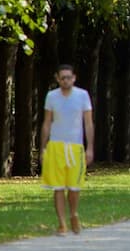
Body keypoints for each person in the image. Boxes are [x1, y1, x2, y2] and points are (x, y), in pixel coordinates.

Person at [40, 64, 94, 235]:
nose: (66, 80)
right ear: (57, 79)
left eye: (68, 77)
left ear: (74, 78)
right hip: (56, 146)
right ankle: (62, 223)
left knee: (74, 187)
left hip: (76, 147)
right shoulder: (52, 97)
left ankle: (74, 214)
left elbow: (88, 123)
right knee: (58, 187)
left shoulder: (82, 95)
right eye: (62, 78)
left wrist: (90, 148)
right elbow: (47, 123)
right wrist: (42, 147)